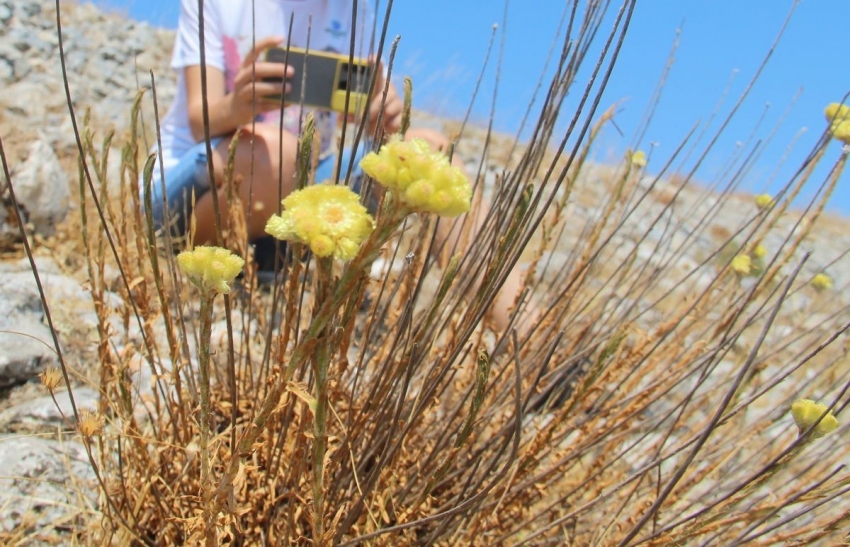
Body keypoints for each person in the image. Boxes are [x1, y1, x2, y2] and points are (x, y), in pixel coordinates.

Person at [151, 0, 529, 331]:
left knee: (431, 153)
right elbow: (199, 118)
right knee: (282, 153)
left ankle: (521, 333)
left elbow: (364, 112)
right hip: (193, 192)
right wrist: (240, 106)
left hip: (295, 202)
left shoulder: (353, 10)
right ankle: (203, 260)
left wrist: (384, 114)